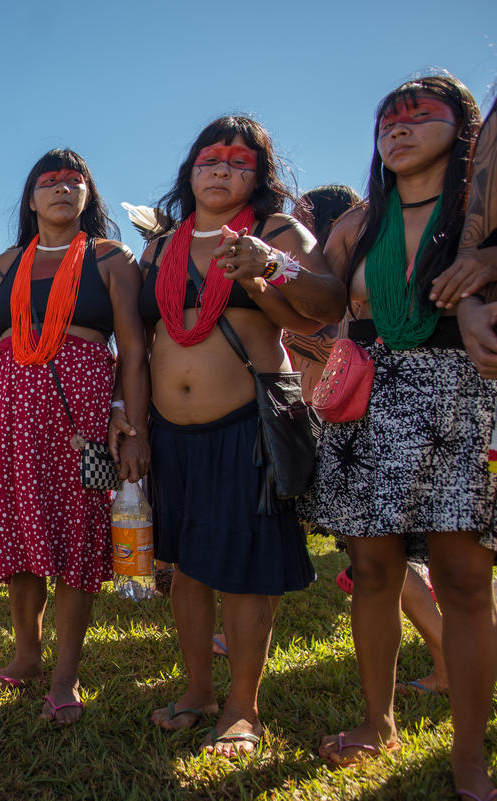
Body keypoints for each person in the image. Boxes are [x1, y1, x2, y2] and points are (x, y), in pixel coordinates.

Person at [306, 76, 494, 799]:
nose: (400, 128)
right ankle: (376, 720)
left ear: (466, 124)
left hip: (461, 392)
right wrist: (273, 273)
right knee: (375, 571)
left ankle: (470, 755)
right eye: (388, 119)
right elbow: (321, 293)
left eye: (421, 115)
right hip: (371, 402)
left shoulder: (482, 205)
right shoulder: (359, 221)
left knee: (465, 580)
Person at [137, 117, 345, 754]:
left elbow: (329, 303)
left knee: (246, 570)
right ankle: (198, 689)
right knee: (186, 567)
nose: (221, 169)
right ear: (190, 171)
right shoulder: (161, 246)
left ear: (258, 176)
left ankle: (242, 705)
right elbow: (144, 341)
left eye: (238, 161)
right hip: (171, 432)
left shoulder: (278, 232)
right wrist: (133, 419)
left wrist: (272, 266)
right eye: (209, 159)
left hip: (246, 423)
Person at [0, 149, 149, 725]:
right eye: (49, 181)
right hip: (13, 409)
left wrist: (129, 424)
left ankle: (66, 674)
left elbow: (133, 350)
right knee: (19, 528)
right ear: (31, 199)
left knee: (76, 535)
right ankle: (26, 655)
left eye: (74, 180)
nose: (63, 188)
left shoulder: (111, 259)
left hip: (80, 412)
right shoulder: (8, 263)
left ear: (87, 195)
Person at [284, 185, 363, 400]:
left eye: (300, 221)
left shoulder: (350, 282)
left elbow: (334, 345)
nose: (291, 230)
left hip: (332, 403)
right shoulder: (303, 278)